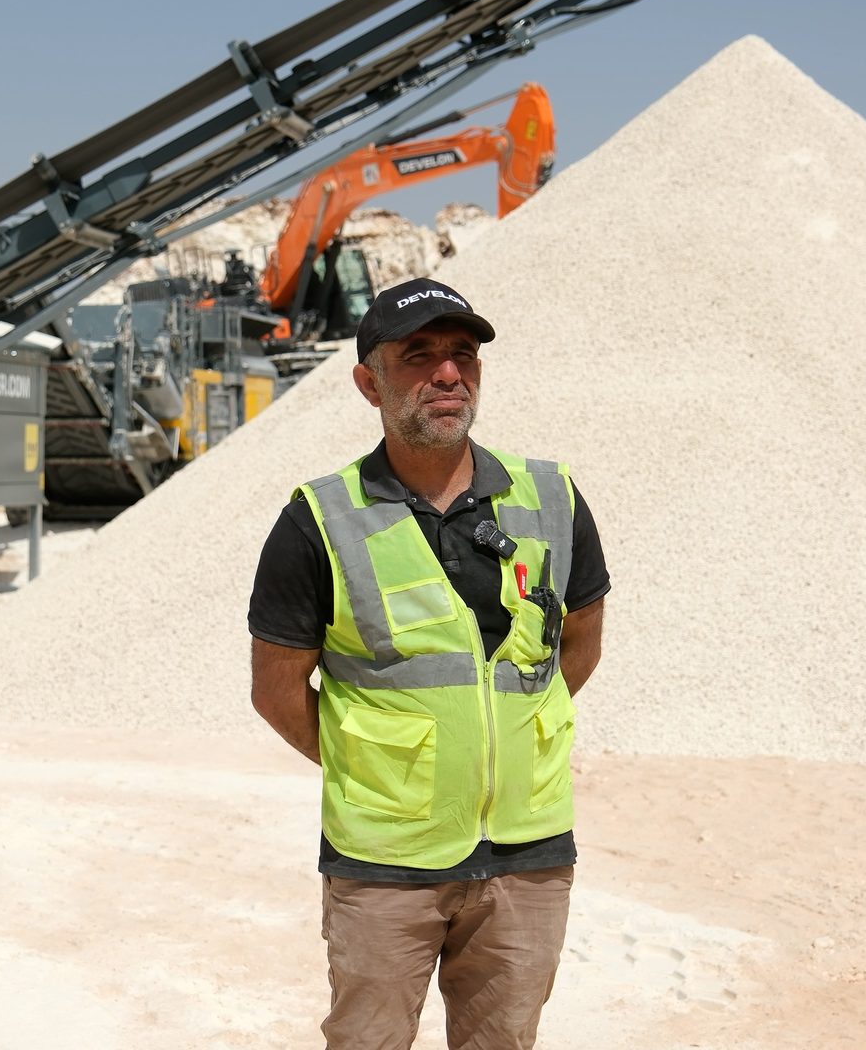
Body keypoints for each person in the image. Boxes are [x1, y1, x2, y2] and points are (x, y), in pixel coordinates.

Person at [248, 277, 609, 1050]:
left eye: (463, 355)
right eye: (419, 357)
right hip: (385, 861)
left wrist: (507, 731)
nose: (448, 374)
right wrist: (379, 761)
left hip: (529, 852)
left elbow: (579, 643)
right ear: (367, 382)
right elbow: (277, 691)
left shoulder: (551, 497)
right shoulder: (318, 519)